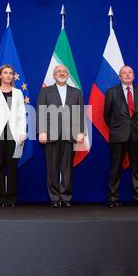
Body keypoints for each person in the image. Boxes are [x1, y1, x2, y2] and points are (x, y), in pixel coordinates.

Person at [37, 65, 85, 208]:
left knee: (67, 168)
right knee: (51, 169)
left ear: (68, 75)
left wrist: (81, 131)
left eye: (64, 71)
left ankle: (66, 198)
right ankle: (54, 198)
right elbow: (41, 111)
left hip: (70, 135)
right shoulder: (45, 91)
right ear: (53, 75)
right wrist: (41, 131)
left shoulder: (76, 92)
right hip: (50, 134)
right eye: (59, 71)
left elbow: (80, 114)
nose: (62, 73)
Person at [103, 66, 138, 208]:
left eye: (130, 73)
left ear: (134, 76)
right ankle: (113, 199)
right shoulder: (111, 92)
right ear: (119, 77)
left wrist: (135, 127)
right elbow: (106, 115)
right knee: (115, 168)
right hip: (118, 135)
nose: (127, 75)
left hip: (136, 134)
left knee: (137, 168)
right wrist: (118, 128)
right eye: (124, 73)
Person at [0, 65, 27, 208]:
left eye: (10, 73)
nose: (8, 75)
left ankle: (12, 198)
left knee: (12, 168)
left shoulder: (18, 93)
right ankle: (1, 198)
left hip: (14, 136)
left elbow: (22, 115)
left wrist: (23, 133)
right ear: (0, 76)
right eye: (5, 73)